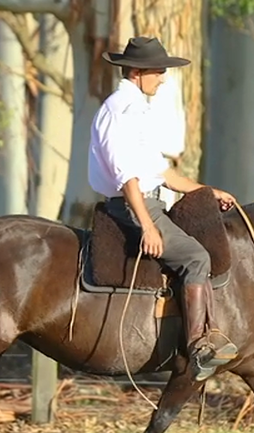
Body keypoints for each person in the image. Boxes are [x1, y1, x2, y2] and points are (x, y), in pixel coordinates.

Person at [88, 36, 238, 381]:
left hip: (147, 199)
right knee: (196, 257)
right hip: (134, 205)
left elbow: (164, 174)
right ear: (137, 72)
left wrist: (208, 192)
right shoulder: (121, 110)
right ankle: (198, 346)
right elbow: (127, 177)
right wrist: (147, 226)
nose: (163, 78)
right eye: (158, 71)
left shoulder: (137, 109)